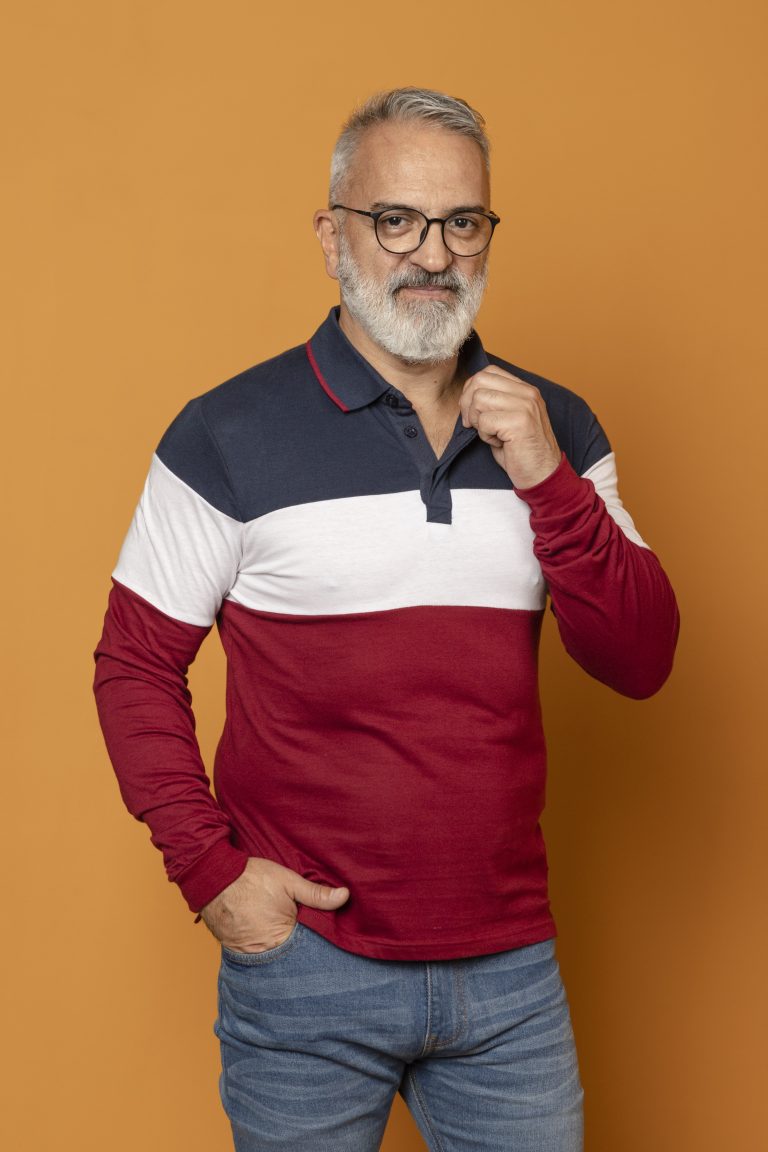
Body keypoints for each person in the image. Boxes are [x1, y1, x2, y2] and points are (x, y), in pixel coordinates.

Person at [94, 87, 679, 1151]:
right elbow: (134, 664)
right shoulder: (226, 432)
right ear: (333, 238)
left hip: (510, 978)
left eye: (463, 222)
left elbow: (639, 659)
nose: (434, 255)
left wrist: (549, 482)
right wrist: (213, 877)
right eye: (396, 220)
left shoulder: (555, 424)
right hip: (306, 969)